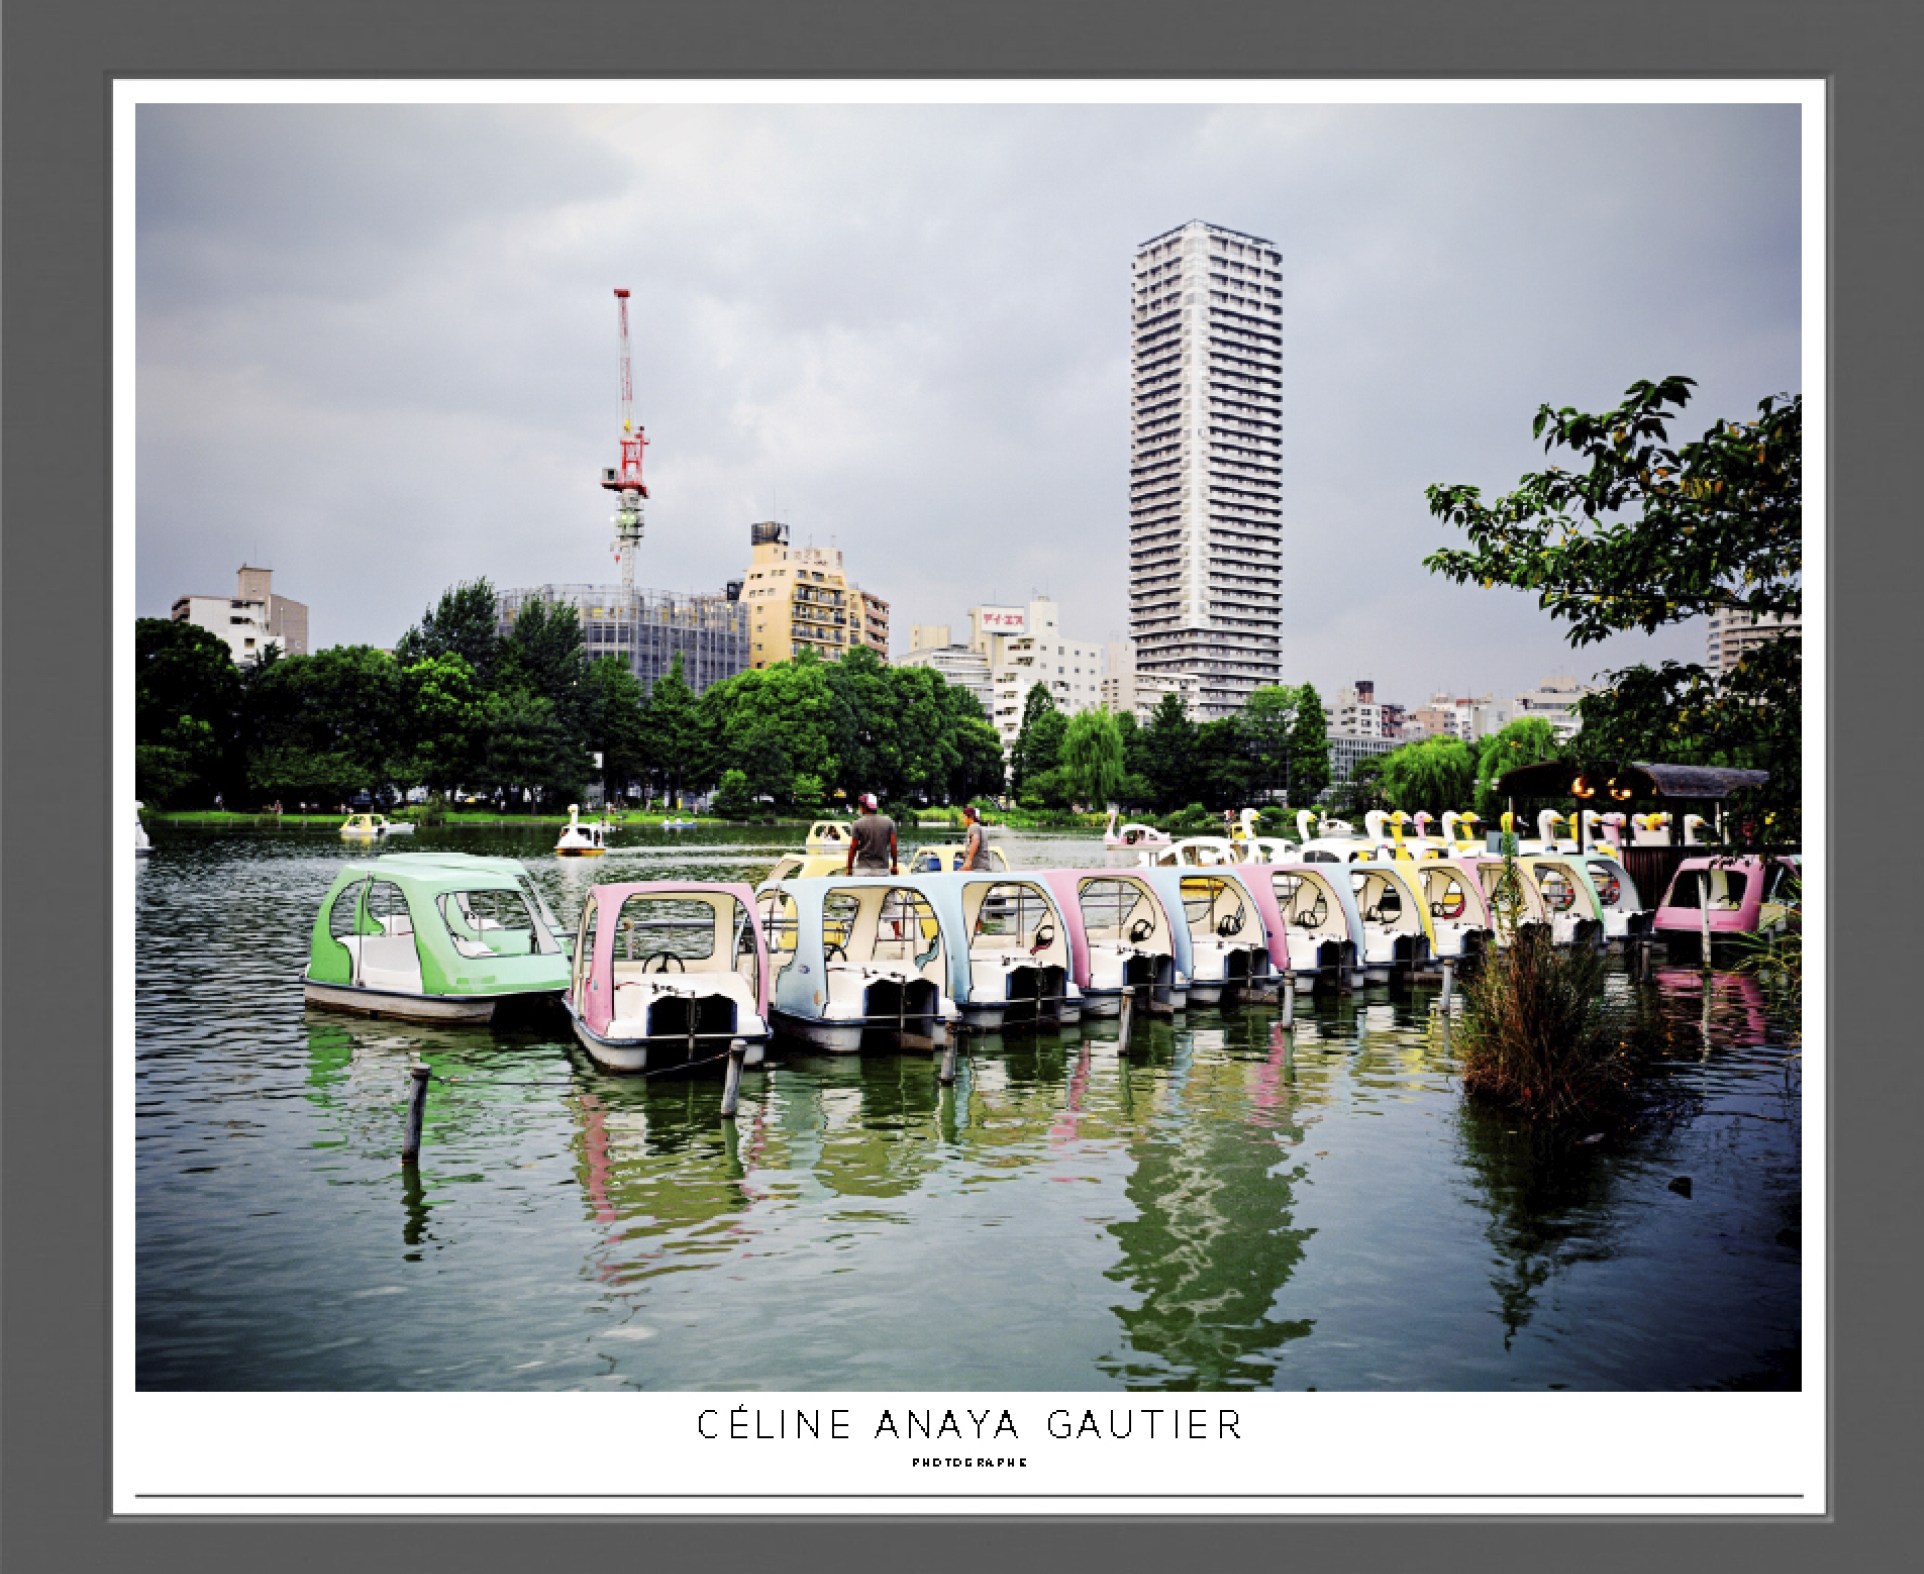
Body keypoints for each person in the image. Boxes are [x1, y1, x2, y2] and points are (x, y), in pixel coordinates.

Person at [845, 793, 897, 876]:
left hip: (862, 870)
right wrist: (894, 866)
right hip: (882, 869)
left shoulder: (857, 824)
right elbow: (893, 846)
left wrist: (849, 868)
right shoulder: (889, 823)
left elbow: (853, 848)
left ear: (864, 807)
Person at [959, 804, 991, 871]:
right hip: (981, 867)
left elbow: (975, 841)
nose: (962, 820)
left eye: (963, 817)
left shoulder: (973, 827)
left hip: (979, 867)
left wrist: (968, 861)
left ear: (970, 817)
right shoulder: (978, 827)